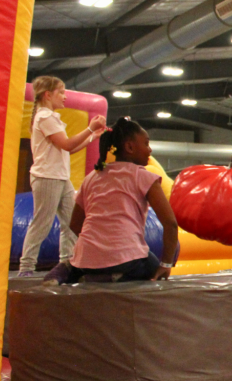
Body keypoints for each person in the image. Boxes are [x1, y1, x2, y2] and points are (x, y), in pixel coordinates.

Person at [46, 118, 178, 284]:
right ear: (129, 147)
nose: (149, 149)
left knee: (89, 261)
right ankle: (113, 275)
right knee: (152, 266)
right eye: (146, 143)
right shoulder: (144, 176)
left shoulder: (91, 177)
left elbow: (74, 224)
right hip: (125, 258)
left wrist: (98, 245)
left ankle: (72, 269)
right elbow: (171, 224)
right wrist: (166, 264)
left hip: (85, 256)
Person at [20, 76, 106, 278]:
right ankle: (26, 266)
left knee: (71, 223)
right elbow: (67, 145)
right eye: (61, 92)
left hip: (60, 177)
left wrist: (92, 137)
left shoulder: (50, 117)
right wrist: (90, 128)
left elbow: (69, 149)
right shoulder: (45, 117)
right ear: (48, 95)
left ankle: (67, 262)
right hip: (47, 177)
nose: (65, 97)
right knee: (42, 223)